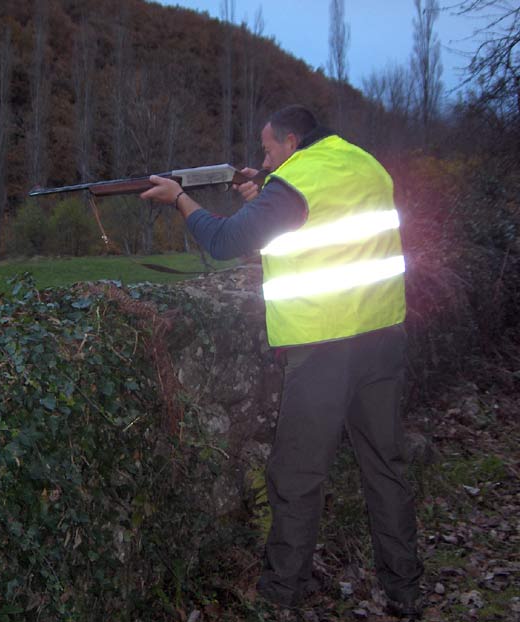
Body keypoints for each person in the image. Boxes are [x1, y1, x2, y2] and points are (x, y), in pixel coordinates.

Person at [140, 105, 423, 618]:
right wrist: (265, 193)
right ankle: (404, 588)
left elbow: (224, 242)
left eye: (268, 149)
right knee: (386, 466)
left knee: (296, 475)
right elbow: (327, 232)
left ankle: (279, 595)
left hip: (324, 348)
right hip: (382, 335)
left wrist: (180, 198)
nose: (262, 159)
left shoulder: (295, 182)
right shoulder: (365, 164)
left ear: (291, 142)